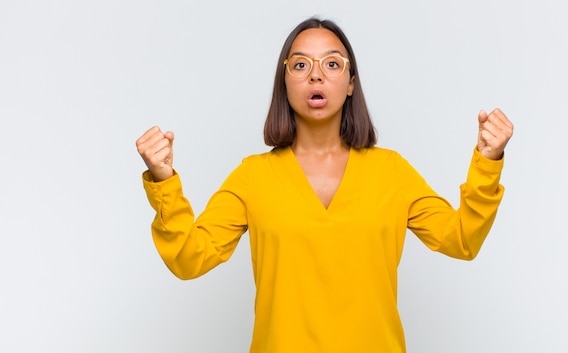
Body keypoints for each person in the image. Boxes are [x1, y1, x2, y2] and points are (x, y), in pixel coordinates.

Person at [136, 17, 513, 353]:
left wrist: (487, 160)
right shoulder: (253, 176)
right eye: (300, 65)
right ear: (284, 83)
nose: (316, 75)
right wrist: (163, 179)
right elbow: (189, 258)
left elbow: (461, 239)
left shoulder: (391, 172)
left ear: (351, 84)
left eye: (332, 63)